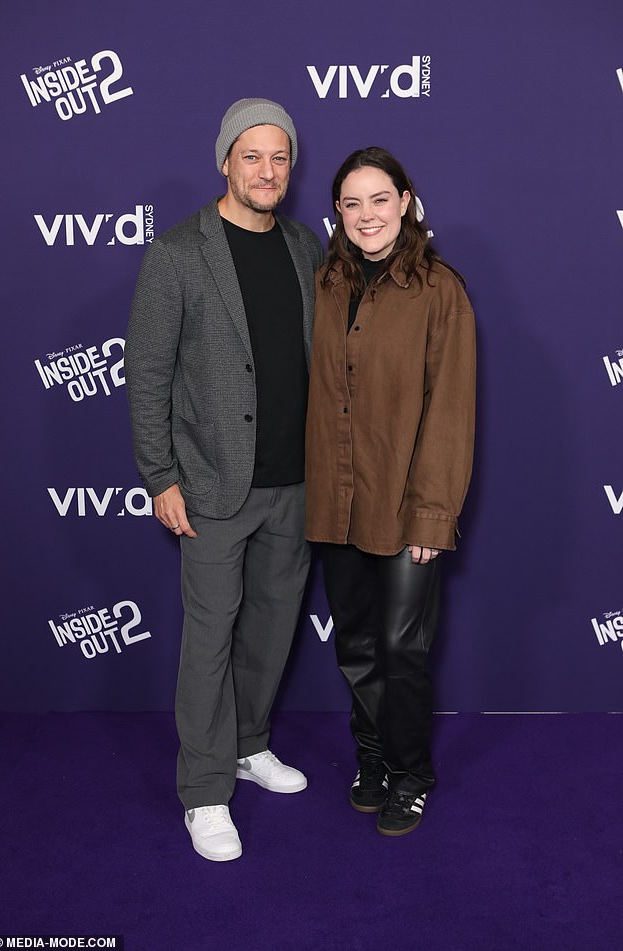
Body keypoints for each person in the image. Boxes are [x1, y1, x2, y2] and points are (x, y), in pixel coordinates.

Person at [125, 98, 323, 862]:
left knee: (271, 631)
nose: (267, 171)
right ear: (225, 162)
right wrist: (159, 475)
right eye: (252, 157)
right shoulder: (179, 252)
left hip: (295, 484)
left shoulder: (306, 246)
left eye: (279, 158)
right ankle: (206, 789)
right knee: (209, 638)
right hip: (209, 485)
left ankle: (247, 743)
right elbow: (146, 374)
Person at [305, 147, 475, 836]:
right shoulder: (323, 283)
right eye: (352, 203)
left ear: (405, 203)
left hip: (407, 506)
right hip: (335, 498)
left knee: (403, 648)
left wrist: (433, 514)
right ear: (338, 213)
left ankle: (411, 774)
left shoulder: (439, 290)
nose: (367, 214)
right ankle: (371, 759)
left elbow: (450, 409)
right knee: (356, 645)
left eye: (380, 199)